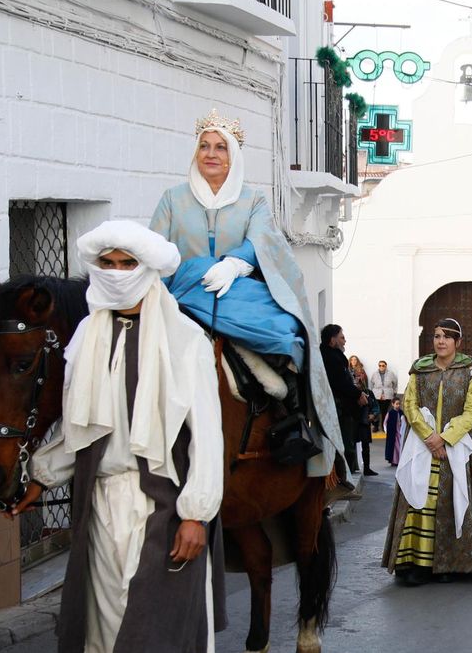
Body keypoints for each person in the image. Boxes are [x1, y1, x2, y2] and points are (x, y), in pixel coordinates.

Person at [9, 221, 225, 653]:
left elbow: (207, 432)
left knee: (149, 620)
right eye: (106, 261)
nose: (115, 271)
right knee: (110, 625)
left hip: (162, 503)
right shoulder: (85, 336)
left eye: (127, 261)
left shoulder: (185, 340)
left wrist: (196, 512)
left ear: (149, 268)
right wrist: (39, 476)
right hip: (99, 504)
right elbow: (81, 428)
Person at [149, 109, 341, 473]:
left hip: (235, 291)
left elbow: (264, 240)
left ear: (233, 156)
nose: (210, 154)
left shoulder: (253, 200)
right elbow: (155, 247)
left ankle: (299, 424)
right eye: (204, 146)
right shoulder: (172, 199)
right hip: (185, 290)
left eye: (220, 147)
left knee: (288, 335)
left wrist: (234, 264)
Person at [383, 319, 472, 584]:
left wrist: (446, 439)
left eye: (447, 337)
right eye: (437, 336)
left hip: (455, 446)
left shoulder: (469, 371)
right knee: (419, 501)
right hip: (423, 445)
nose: (441, 341)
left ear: (458, 342)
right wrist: (429, 436)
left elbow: (471, 411)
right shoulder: (420, 369)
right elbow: (410, 404)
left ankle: (452, 563)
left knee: (450, 501)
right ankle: (416, 563)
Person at [320, 324, 367, 474]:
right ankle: (343, 477)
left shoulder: (332, 355)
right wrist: (358, 394)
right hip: (338, 407)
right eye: (342, 337)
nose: (345, 341)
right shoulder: (330, 357)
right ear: (333, 340)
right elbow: (340, 383)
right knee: (345, 444)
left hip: (342, 406)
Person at [349, 354, 376, 475]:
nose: (358, 379)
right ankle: (351, 467)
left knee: (365, 446)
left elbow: (375, 406)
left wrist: (373, 414)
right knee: (351, 445)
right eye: (356, 377)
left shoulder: (368, 392)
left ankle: (367, 468)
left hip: (364, 422)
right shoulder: (350, 393)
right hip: (353, 421)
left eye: (360, 377)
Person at [370, 359, 400, 423]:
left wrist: (393, 391)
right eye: (380, 365)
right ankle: (376, 426)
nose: (381, 367)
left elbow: (395, 383)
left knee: (384, 411)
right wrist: (373, 392)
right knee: (376, 411)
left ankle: (383, 425)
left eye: (383, 365)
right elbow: (371, 384)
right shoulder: (374, 374)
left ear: (386, 366)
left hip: (387, 395)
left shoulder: (391, 374)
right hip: (377, 395)